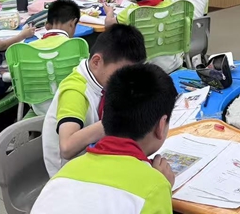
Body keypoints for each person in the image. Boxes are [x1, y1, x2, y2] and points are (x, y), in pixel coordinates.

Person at [32, 63, 176, 214]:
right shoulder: (155, 187)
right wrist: (162, 186)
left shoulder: (63, 174)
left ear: (105, 115)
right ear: (161, 126)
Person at [41, 24, 146, 177]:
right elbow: (67, 147)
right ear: (96, 62)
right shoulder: (75, 91)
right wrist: (114, 121)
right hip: (69, 175)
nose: (127, 81)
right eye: (123, 74)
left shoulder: (101, 78)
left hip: (94, 158)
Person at [29, 0, 83, 116]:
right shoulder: (77, 46)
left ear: (47, 25)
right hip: (71, 109)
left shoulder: (29, 49)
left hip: (39, 111)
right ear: (73, 23)